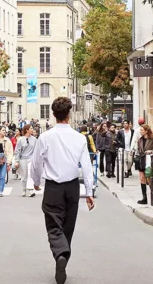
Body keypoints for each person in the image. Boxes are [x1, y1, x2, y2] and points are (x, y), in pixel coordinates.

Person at [30, 97, 95, 284]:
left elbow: (36, 163)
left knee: (53, 225)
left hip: (52, 186)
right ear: (69, 114)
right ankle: (64, 258)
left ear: (53, 115)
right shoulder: (79, 138)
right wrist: (89, 192)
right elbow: (87, 167)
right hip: (72, 186)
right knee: (68, 225)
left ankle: (60, 255)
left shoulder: (45, 137)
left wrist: (36, 182)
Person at [134, 124, 153, 206]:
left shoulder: (152, 139)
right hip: (141, 160)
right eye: (140, 130)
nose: (140, 132)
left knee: (149, 179)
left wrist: (151, 151)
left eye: (142, 130)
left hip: (149, 161)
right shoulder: (140, 140)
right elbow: (139, 150)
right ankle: (144, 198)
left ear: (146, 131)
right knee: (142, 179)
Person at [14, 124, 39, 197]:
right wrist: (17, 161)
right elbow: (17, 151)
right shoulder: (20, 139)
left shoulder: (34, 139)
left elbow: (37, 150)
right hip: (23, 159)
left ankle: (30, 190)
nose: (32, 129)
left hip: (31, 159)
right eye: (31, 128)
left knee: (30, 174)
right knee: (24, 176)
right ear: (27, 130)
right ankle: (24, 189)